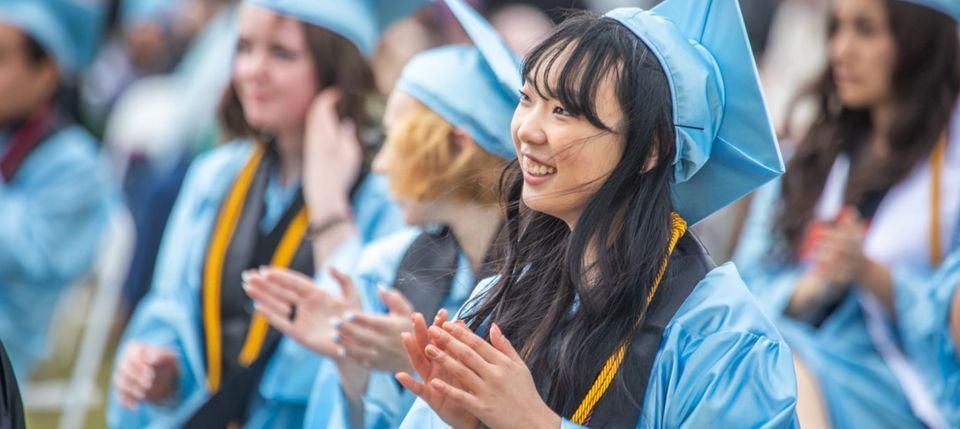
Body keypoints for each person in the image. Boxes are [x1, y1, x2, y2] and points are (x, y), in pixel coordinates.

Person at [397, 0, 798, 427]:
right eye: (527, 98)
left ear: (651, 148)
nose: (527, 129)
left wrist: (535, 422)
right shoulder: (502, 298)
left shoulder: (720, 338)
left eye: (563, 111)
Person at [108, 0, 424, 426]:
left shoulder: (385, 200)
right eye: (243, 47)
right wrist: (163, 370)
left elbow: (372, 359)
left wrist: (330, 207)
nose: (252, 69)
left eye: (281, 53)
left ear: (336, 68)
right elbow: (172, 309)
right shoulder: (216, 177)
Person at [243, 3, 521, 428]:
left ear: (456, 145)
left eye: (397, 139)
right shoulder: (394, 263)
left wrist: (421, 362)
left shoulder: (543, 290)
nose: (381, 163)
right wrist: (358, 372)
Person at [733, 0, 960, 428]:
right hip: (792, 361)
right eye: (836, 28)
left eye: (866, 30)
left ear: (919, 39)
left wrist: (872, 275)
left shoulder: (950, 179)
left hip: (900, 391)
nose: (840, 50)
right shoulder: (806, 164)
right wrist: (812, 287)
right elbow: (743, 290)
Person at [0, 0, 113, 379]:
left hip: (12, 340)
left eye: (1, 58)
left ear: (47, 71)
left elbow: (31, 258)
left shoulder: (76, 164)